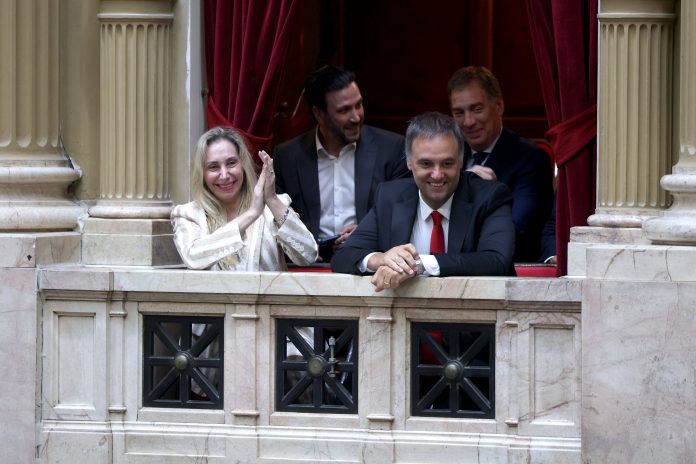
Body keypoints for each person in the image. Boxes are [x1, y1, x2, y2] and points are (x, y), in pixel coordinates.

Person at [331, 112, 515, 292]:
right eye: (426, 164)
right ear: (409, 162)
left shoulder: (490, 197)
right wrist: (382, 259)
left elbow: (497, 261)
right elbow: (344, 256)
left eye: (447, 163)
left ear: (461, 161)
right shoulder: (389, 196)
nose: (437, 174)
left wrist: (418, 264)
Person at [273, 65, 410, 260]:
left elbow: (402, 214)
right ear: (319, 114)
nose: (356, 117)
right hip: (309, 266)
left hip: (368, 263)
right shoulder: (287, 157)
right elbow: (276, 220)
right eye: (344, 110)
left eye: (358, 105)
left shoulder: (391, 149)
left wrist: (367, 232)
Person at [171, 126, 318, 271]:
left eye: (231, 163)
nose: (224, 175)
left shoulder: (273, 208)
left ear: (243, 165)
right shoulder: (188, 214)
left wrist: (272, 199)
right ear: (202, 173)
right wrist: (252, 214)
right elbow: (193, 258)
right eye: (213, 167)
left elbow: (308, 255)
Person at [448, 66, 553, 263]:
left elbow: (518, 233)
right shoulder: (448, 156)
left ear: (498, 106)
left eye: (477, 109)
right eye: (459, 113)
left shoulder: (530, 158)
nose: (468, 122)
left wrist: (488, 192)